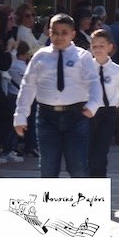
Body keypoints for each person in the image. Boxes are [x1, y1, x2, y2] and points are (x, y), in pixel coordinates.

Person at [14, 14, 103, 178]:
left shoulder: (82, 56)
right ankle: (50, 203)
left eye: (64, 32)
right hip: (47, 116)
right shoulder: (40, 56)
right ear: (49, 33)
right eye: (55, 32)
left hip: (76, 115)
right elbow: (28, 86)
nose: (59, 37)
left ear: (73, 34)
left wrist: (93, 105)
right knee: (48, 168)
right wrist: (20, 116)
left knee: (78, 167)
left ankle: (81, 202)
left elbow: (94, 82)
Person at [88, 29, 119, 178]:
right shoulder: (86, 67)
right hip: (90, 112)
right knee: (88, 150)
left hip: (108, 112)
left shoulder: (117, 70)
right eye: (95, 46)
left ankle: (99, 180)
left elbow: (118, 93)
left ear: (110, 47)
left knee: (101, 151)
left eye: (101, 46)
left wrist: (112, 107)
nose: (98, 49)